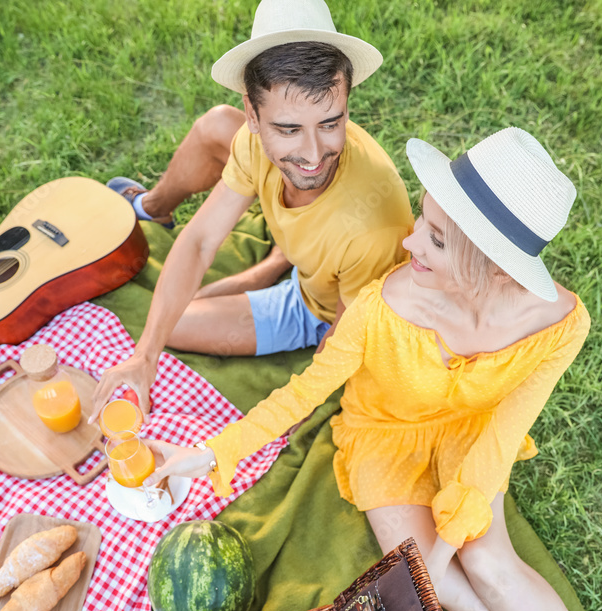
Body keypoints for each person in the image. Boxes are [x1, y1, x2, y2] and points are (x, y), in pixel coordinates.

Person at [146, 128, 602, 611]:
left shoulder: (558, 325)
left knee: (489, 565)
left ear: (497, 269)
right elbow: (305, 391)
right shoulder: (380, 307)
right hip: (383, 433)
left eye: (436, 239)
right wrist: (212, 452)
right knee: (430, 579)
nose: (409, 243)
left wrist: (454, 539)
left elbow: (502, 436)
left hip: (471, 435)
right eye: (423, 219)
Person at [91, 0, 412, 415]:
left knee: (180, 323)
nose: (314, 154)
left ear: (347, 102)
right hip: (313, 262)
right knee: (213, 125)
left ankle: (278, 266)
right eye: (288, 128)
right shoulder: (250, 140)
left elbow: (345, 335)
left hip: (321, 308)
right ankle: (173, 216)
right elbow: (202, 240)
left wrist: (300, 406)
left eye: (331, 123)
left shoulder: (373, 228)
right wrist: (144, 357)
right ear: (253, 115)